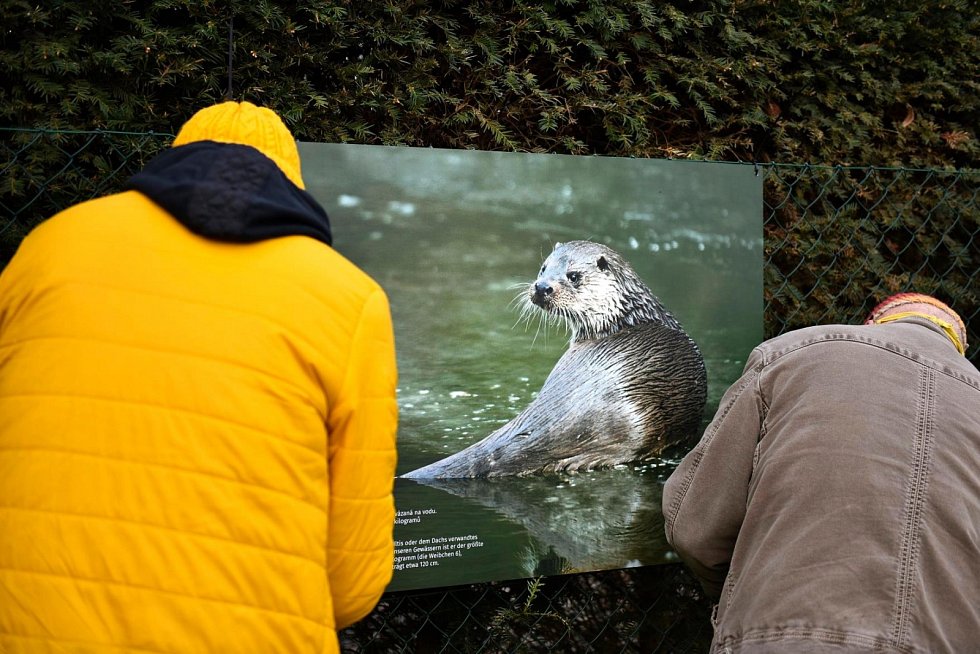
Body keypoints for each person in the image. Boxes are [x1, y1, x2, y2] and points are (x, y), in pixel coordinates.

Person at [0, 101, 398, 652]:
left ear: (176, 156)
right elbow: (352, 583)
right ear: (290, 180)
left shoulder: (49, 246)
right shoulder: (350, 298)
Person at [663, 293, 979, 653]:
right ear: (958, 349)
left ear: (874, 324)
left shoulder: (793, 353)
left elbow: (692, 526)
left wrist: (738, 590)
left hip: (783, 637)